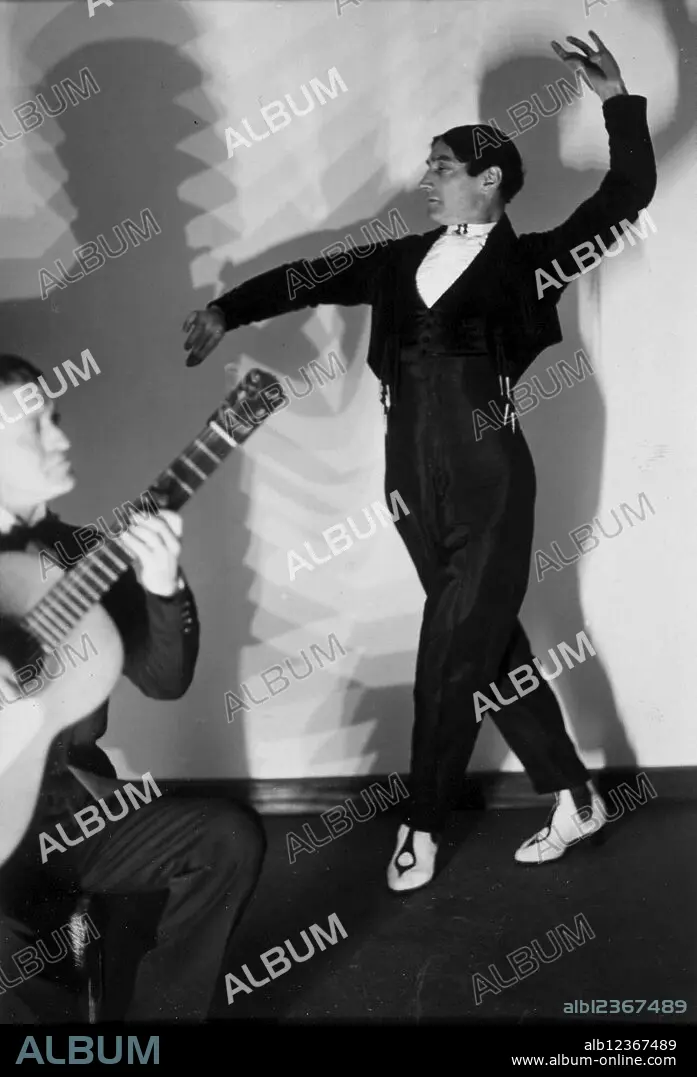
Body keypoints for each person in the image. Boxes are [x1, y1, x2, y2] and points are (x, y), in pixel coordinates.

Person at [182, 33, 656, 892]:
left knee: (446, 655)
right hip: (406, 472)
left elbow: (625, 194)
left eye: (441, 165)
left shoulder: (533, 263)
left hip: (488, 473)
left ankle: (421, 822)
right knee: (482, 643)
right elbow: (310, 277)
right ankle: (575, 795)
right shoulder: (398, 259)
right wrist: (228, 309)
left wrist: (615, 98)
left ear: (489, 178)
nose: (425, 178)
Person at [0, 354, 265, 1021]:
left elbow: (164, 681)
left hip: (72, 814)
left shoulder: (82, 556)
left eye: (55, 418)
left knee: (226, 838)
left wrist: (160, 583)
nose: (61, 438)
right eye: (34, 427)